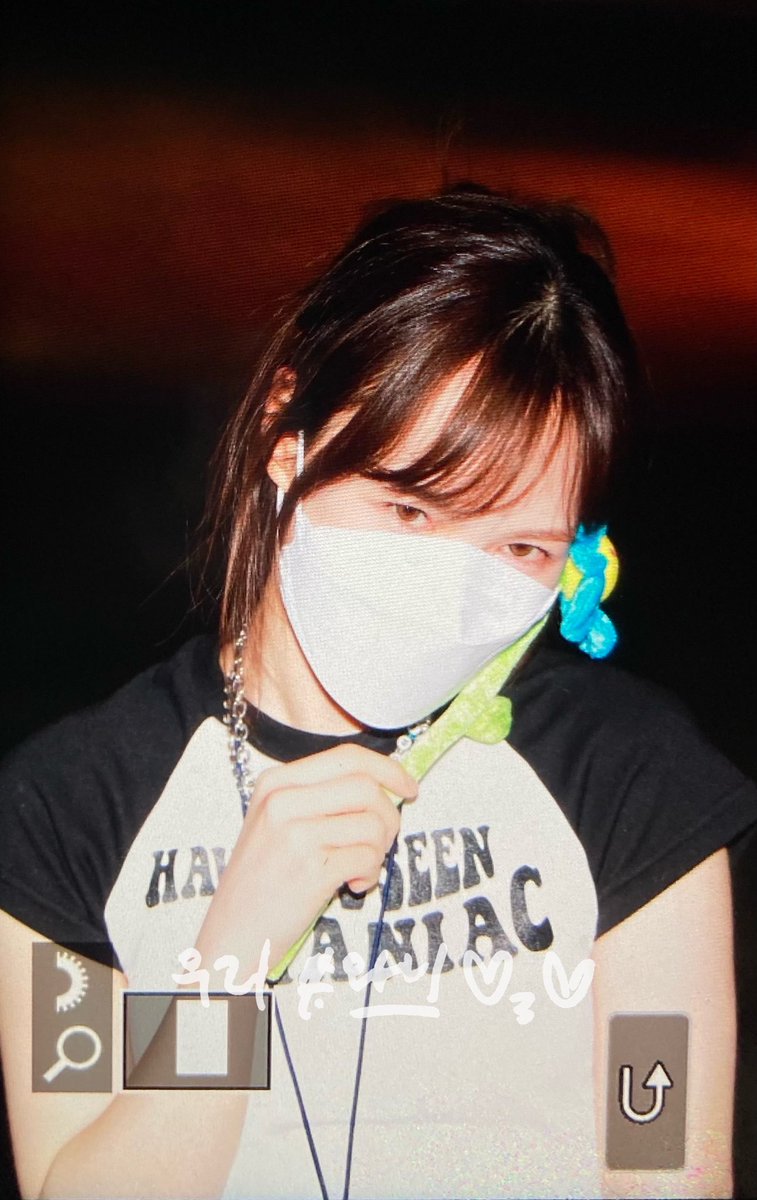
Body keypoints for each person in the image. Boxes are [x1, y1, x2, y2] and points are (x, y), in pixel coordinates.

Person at [0, 184, 755, 1200]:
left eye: (520, 548)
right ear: (288, 436)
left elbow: (663, 1163)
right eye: (410, 510)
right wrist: (227, 964)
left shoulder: (631, 778)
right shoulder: (67, 809)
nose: (451, 587)